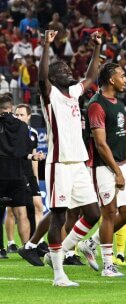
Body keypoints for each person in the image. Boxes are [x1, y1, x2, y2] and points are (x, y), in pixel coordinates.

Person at [37, 30, 102, 287]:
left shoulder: (74, 93)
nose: (67, 70)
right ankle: (58, 275)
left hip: (79, 163)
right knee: (59, 217)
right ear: (53, 78)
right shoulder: (49, 94)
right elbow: (42, 77)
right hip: (59, 163)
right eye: (61, 69)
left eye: (66, 67)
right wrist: (46, 46)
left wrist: (97, 47)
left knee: (93, 213)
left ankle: (61, 251)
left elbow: (91, 76)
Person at [79, 62, 126, 277]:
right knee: (109, 213)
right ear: (111, 79)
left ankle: (91, 243)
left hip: (121, 165)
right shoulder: (96, 105)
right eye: (122, 76)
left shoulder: (119, 104)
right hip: (103, 166)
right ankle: (108, 265)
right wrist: (116, 171)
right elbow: (100, 144)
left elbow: (124, 139)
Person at [0, 94, 43, 259]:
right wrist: (33, 157)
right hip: (17, 174)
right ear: (11, 108)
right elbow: (25, 153)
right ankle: (27, 249)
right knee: (21, 214)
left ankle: (4, 246)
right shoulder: (22, 127)